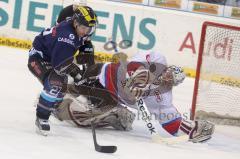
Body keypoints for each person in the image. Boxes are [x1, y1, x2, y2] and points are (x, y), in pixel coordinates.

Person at [56, 51, 215, 143]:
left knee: (119, 117)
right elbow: (133, 65)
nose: (167, 78)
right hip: (100, 75)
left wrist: (192, 130)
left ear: (173, 85)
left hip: (109, 98)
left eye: (171, 80)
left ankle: (66, 108)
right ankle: (56, 102)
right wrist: (137, 83)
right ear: (168, 68)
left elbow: (173, 125)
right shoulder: (157, 59)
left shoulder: (164, 100)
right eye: (168, 73)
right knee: (69, 88)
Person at [28, 6, 98, 136]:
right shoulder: (66, 37)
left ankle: (53, 104)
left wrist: (89, 74)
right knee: (56, 81)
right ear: (76, 23)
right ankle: (42, 117)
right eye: (84, 28)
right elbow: (60, 66)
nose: (86, 32)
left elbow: (83, 49)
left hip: (55, 57)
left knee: (65, 83)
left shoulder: (78, 28)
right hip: (38, 59)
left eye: (89, 29)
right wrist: (79, 76)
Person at [57, 0, 95, 73]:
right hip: (67, 37)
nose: (78, 9)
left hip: (81, 36)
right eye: (76, 7)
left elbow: (90, 30)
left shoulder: (88, 14)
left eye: (81, 8)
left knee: (89, 49)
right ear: (73, 5)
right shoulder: (65, 12)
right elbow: (57, 28)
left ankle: (91, 71)